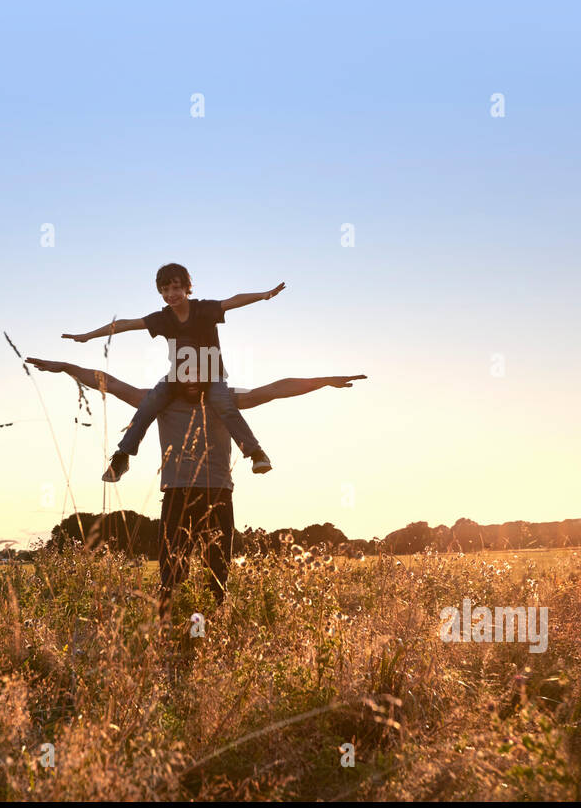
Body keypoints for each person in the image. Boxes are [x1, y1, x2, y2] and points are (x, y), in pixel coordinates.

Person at [25, 356, 365, 621]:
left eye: (197, 375)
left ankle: (206, 631)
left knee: (218, 571)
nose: (189, 381)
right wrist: (67, 367)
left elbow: (274, 390)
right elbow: (110, 383)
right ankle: (171, 630)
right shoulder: (157, 402)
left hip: (218, 493)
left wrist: (325, 381)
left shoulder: (224, 402)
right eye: (182, 374)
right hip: (176, 493)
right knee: (171, 572)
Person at [60, 263, 284, 482]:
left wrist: (263, 295)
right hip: (178, 378)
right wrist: (88, 335)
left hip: (211, 376)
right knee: (149, 404)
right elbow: (126, 324)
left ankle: (255, 453)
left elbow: (232, 301)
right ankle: (122, 457)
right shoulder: (163, 318)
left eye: (176, 288)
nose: (171, 294)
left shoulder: (204, 309)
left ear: (187, 287)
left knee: (225, 405)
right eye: (165, 290)